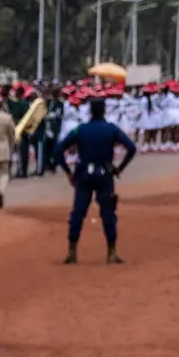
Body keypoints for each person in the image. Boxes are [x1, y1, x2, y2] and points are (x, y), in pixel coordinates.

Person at [55, 94, 136, 265]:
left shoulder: (81, 129)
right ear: (104, 110)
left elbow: (59, 149)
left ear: (90, 110)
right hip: (105, 174)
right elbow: (131, 147)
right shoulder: (111, 129)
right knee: (108, 213)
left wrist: (68, 172)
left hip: (83, 174)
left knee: (78, 212)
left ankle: (72, 251)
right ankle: (111, 252)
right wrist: (119, 168)